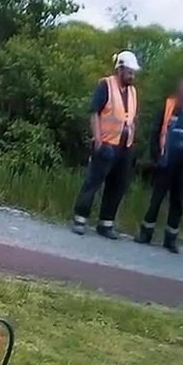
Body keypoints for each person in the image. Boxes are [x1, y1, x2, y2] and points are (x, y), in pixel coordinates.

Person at [71, 50, 140, 238]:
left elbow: (131, 117)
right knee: (93, 182)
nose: (132, 76)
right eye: (129, 72)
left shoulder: (132, 91)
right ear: (120, 69)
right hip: (107, 144)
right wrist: (98, 141)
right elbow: (94, 112)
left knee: (117, 186)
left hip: (125, 146)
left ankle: (106, 224)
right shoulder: (106, 85)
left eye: (133, 72)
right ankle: (80, 219)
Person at [135, 76, 183, 253]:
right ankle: (146, 234)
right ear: (178, 91)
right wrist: (155, 156)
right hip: (165, 163)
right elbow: (155, 132)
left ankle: (171, 239)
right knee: (156, 199)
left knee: (178, 203)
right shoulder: (168, 107)